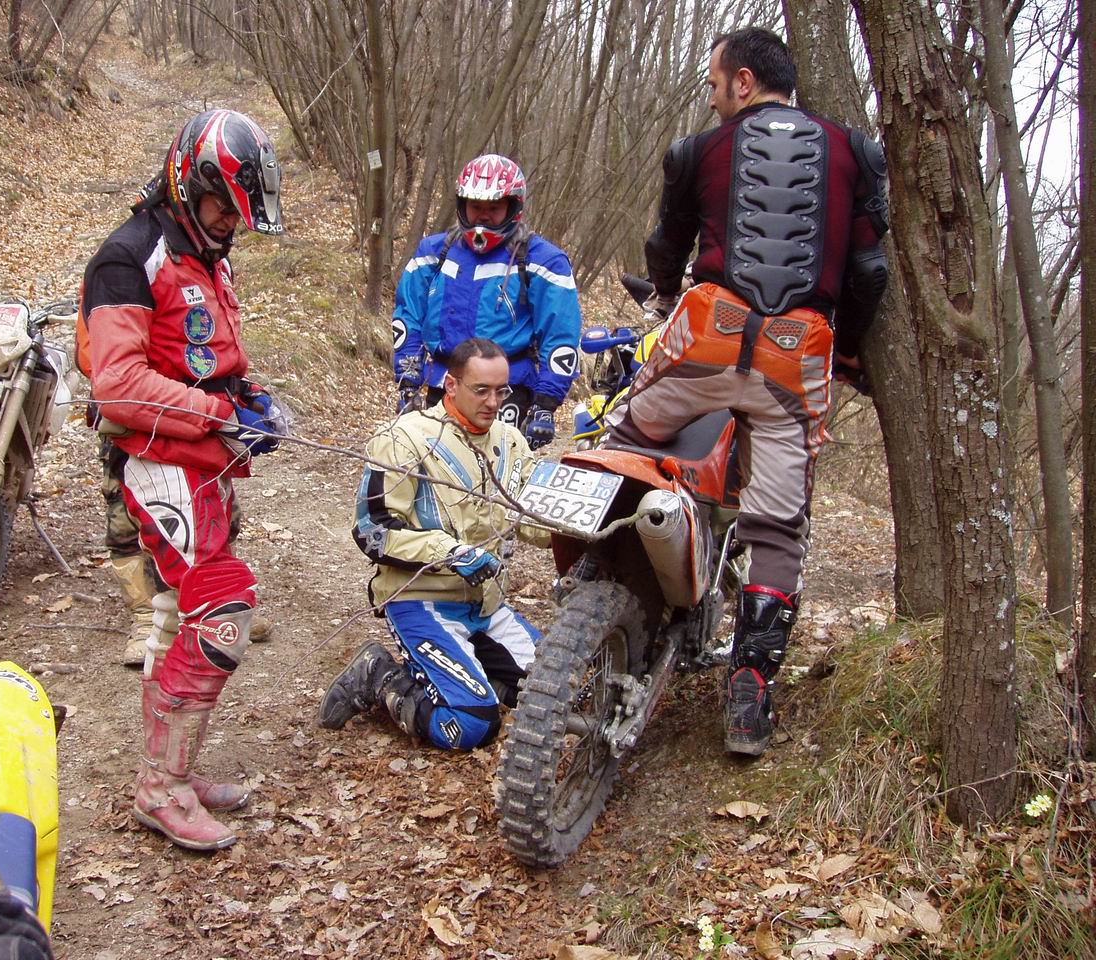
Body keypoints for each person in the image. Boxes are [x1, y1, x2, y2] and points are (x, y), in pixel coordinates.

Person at [605, 27, 889, 756]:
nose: (711, 96)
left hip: (707, 333)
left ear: (741, 82)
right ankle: (750, 694)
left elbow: (665, 248)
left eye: (712, 83)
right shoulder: (855, 150)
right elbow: (869, 271)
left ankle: (614, 593)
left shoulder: (697, 150)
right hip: (797, 355)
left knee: (623, 441)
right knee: (778, 525)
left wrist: (664, 295)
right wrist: (850, 348)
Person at [82, 108, 285, 850]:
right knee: (223, 610)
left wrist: (250, 400)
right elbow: (118, 386)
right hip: (159, 463)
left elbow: (208, 357)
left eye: (239, 210)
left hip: (205, 461)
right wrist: (217, 413)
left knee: (175, 616)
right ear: (187, 180)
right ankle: (159, 788)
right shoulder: (127, 257)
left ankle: (173, 769)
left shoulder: (207, 253)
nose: (231, 221)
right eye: (221, 204)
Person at [320, 338, 549, 751]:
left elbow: (532, 523)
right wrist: (449, 553)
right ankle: (379, 676)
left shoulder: (511, 441)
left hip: (486, 604)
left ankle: (472, 674)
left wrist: (578, 525)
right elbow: (372, 530)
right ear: (451, 385)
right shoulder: (404, 439)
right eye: (481, 390)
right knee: (471, 724)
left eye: (502, 391)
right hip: (420, 599)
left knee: (559, 692)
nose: (493, 402)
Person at [391, 155, 583, 450]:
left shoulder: (544, 261)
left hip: (508, 389)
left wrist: (546, 403)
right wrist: (408, 382)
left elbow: (560, 333)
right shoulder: (433, 252)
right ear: (462, 205)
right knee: (434, 465)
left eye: (493, 208)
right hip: (445, 383)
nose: (483, 217)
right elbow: (408, 315)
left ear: (512, 207)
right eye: (476, 207)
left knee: (497, 467)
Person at [99, 439, 270, 669]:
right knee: (125, 525)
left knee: (218, 514)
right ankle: (146, 619)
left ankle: (219, 608)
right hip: (131, 436)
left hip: (198, 433)